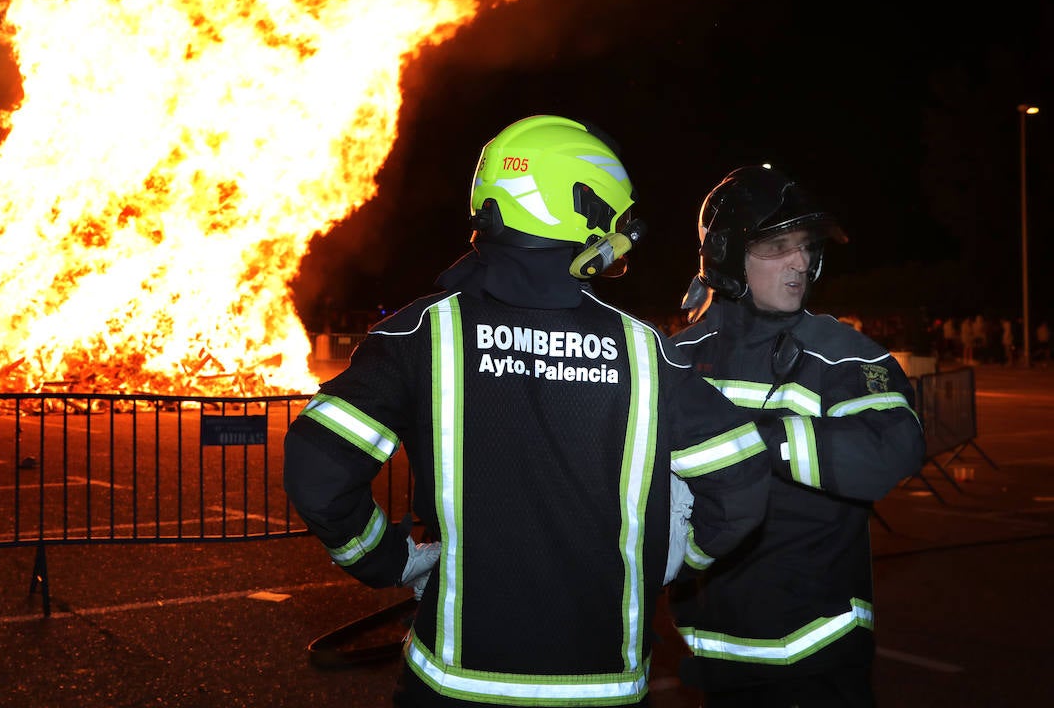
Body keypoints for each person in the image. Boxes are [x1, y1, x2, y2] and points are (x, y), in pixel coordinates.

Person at [283, 116, 771, 707]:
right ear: (584, 209)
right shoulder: (645, 351)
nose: (623, 237)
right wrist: (670, 559)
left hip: (456, 683)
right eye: (619, 221)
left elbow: (319, 470)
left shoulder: (421, 332)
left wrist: (389, 561)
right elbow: (741, 487)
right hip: (604, 686)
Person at [669, 165, 926, 707]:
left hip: (818, 662)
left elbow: (891, 451)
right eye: (778, 246)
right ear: (725, 254)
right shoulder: (676, 358)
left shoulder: (842, 352)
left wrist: (746, 437)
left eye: (806, 246)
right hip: (715, 662)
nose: (801, 262)